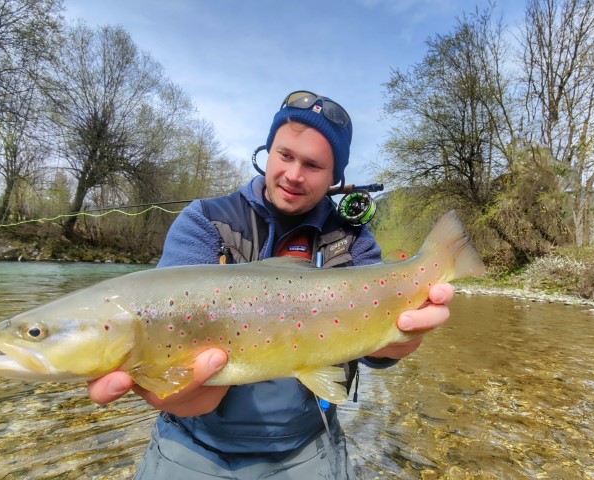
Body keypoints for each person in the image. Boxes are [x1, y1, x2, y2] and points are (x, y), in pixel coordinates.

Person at [87, 90, 454, 479]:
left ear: (335, 178)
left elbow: (373, 352)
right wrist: (173, 387)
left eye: (313, 165)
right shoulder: (206, 221)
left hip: (306, 442)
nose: (294, 174)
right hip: (192, 438)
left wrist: (399, 342)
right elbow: (159, 314)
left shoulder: (353, 240)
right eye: (285, 155)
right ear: (267, 151)